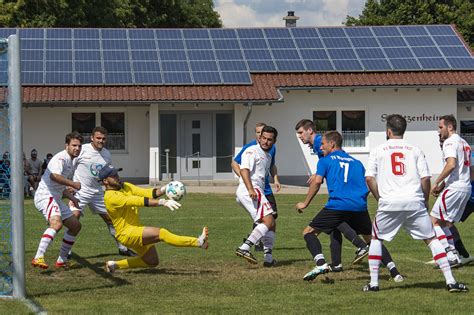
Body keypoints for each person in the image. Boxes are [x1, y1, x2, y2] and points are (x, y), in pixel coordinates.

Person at [364, 114, 467, 292]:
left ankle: (374, 284)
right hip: (414, 201)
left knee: (376, 238)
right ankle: (451, 281)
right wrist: (425, 200)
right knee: (431, 239)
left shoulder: (378, 149)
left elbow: (369, 178)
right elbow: (425, 178)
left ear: (388, 131)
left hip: (389, 202)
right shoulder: (415, 149)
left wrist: (379, 198)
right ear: (404, 130)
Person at [295, 119, 399, 275]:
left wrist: (305, 202)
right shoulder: (357, 162)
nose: (320, 147)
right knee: (372, 240)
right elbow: (368, 182)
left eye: (323, 144)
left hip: (337, 205)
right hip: (359, 206)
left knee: (308, 233)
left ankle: (321, 263)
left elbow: (317, 182)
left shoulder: (326, 160)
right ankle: (394, 272)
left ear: (332, 145)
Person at [100, 165, 208, 272]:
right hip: (126, 234)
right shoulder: (110, 197)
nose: (117, 177)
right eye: (113, 176)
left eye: (117, 174)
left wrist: (164, 189)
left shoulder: (126, 186)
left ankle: (114, 265)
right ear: (105, 181)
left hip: (134, 230)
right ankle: (198, 242)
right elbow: (138, 200)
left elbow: (146, 193)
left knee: (152, 261)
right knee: (162, 233)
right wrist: (163, 202)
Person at [69, 126, 135, 256]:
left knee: (111, 219)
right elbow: (69, 165)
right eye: (98, 138)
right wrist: (69, 184)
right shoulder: (82, 149)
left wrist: (115, 186)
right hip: (81, 192)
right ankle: (66, 252)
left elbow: (108, 173)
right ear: (92, 138)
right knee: (74, 219)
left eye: (104, 138)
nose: (101, 141)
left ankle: (122, 248)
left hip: (97, 192)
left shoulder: (106, 153)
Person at [31, 132, 83, 269]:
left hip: (56, 197)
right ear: (67, 145)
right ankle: (38, 257)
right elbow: (54, 176)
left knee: (76, 226)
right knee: (56, 223)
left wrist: (73, 198)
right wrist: (73, 184)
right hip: (45, 195)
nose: (77, 148)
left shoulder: (71, 161)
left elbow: (60, 186)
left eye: (79, 146)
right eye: (74, 145)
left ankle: (61, 260)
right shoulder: (61, 157)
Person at [232, 122, 280, 254]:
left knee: (271, 223)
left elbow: (270, 168)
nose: (265, 141)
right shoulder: (251, 150)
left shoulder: (268, 155)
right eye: (263, 138)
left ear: (274, 141)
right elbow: (244, 169)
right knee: (269, 221)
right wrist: (250, 189)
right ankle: (245, 248)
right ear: (259, 137)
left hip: (258, 191)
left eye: (269, 139)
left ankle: (268, 258)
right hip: (251, 191)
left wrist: (275, 179)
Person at [430, 115, 471, 267]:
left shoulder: (450, 142)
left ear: (450, 127)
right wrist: (443, 186)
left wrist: (437, 181)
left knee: (433, 221)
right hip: (465, 188)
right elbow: (471, 171)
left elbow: (451, 164)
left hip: (455, 188)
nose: (439, 131)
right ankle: (454, 256)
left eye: (440, 127)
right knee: (446, 223)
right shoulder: (465, 143)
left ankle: (450, 253)